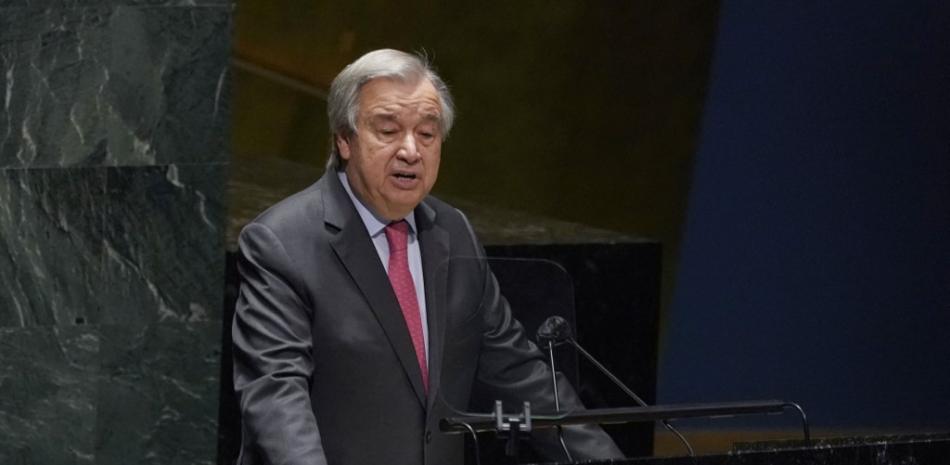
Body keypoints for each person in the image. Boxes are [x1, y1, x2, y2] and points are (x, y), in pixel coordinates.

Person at [232, 48, 622, 465]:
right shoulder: (282, 242)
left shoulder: (453, 233)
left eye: (427, 134)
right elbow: (277, 400)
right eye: (388, 130)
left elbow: (520, 377)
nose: (410, 151)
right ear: (344, 139)